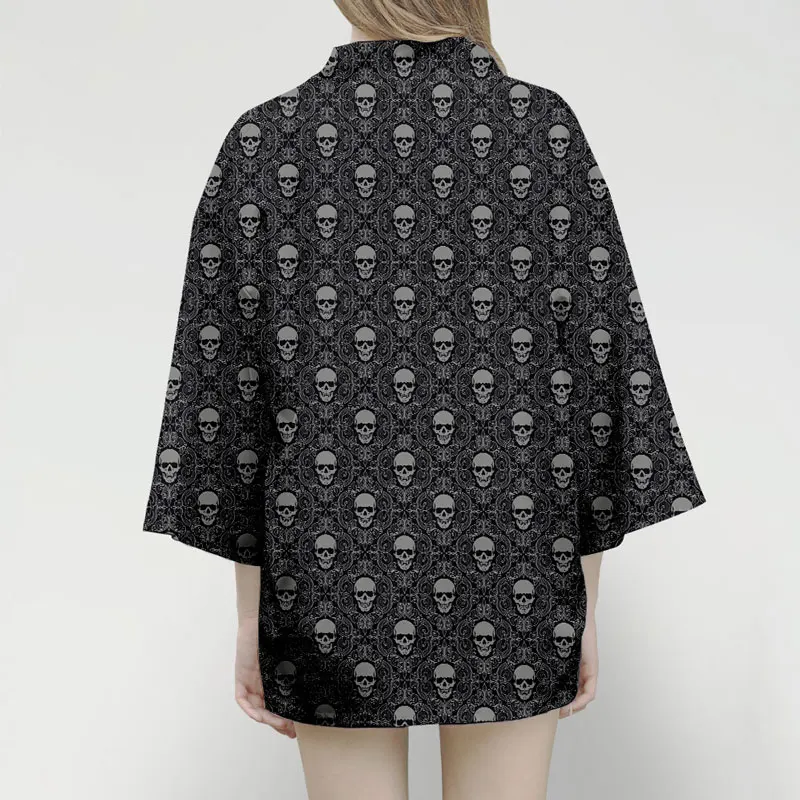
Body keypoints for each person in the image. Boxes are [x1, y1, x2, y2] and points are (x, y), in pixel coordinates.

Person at [141, 1, 708, 797]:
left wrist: (249, 615)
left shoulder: (263, 141)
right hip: (515, 567)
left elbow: (232, 408)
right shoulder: (542, 130)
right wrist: (583, 598)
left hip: (329, 576)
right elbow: (597, 389)